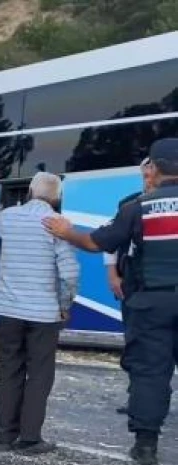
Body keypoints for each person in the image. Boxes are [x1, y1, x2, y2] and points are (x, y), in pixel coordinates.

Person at [44, 138, 178, 465]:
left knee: (150, 373)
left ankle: (145, 446)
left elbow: (95, 242)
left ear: (155, 167)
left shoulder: (137, 207)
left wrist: (66, 231)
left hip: (151, 304)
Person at [0, 172, 79, 454]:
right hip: (43, 313)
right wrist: (64, 305)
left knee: (9, 369)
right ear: (58, 198)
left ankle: (3, 436)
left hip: (7, 310)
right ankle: (29, 438)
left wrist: (9, 206)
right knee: (39, 373)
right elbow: (70, 273)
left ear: (29, 191)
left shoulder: (9, 218)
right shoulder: (58, 226)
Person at [108, 157, 157, 416]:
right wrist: (113, 275)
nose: (149, 177)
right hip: (134, 283)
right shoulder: (128, 204)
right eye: (145, 172)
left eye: (153, 172)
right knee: (135, 342)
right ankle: (136, 399)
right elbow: (112, 241)